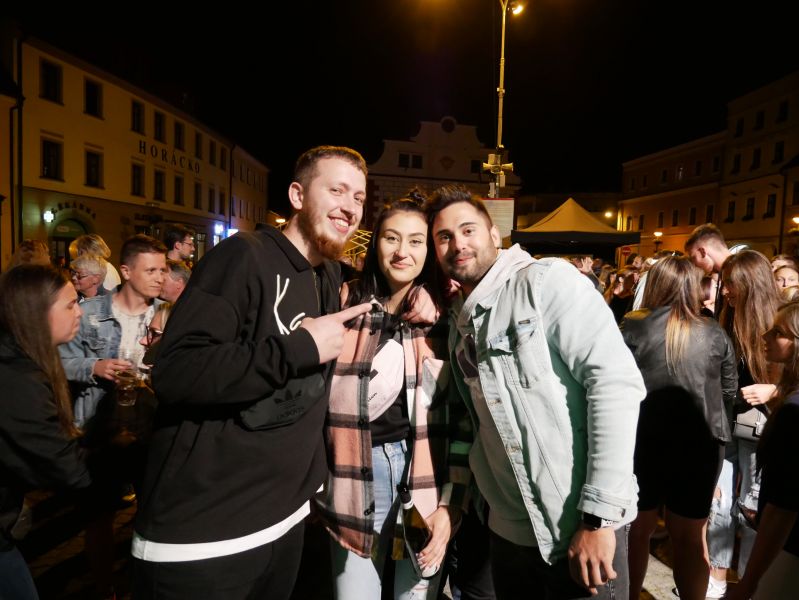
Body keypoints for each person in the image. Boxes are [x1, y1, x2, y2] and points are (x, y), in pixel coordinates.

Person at [131, 146, 374, 600]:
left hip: (285, 523)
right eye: (337, 190)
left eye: (359, 197)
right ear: (297, 195)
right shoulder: (244, 256)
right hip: (207, 540)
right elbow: (177, 371)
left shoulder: (326, 274)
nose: (350, 207)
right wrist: (300, 348)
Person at [426, 185, 646, 599]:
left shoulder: (545, 283)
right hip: (509, 533)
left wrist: (599, 518)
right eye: (444, 237)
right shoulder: (459, 322)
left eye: (468, 230)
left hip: (578, 527)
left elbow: (615, 384)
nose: (458, 244)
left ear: (494, 234)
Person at [315, 196, 455, 599]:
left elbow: (462, 420)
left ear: (429, 250)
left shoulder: (443, 316)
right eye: (391, 238)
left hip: (423, 475)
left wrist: (452, 505)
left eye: (415, 241)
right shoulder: (344, 302)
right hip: (354, 471)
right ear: (375, 242)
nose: (402, 251)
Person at [620, 257, 737, 600]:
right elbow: (728, 390)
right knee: (690, 537)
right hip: (700, 444)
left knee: (636, 532)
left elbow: (613, 382)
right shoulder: (713, 331)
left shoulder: (633, 324)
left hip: (642, 440)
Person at [0, 265, 91, 599]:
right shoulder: (17, 378)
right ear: (36, 313)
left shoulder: (19, 360)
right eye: (70, 304)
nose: (79, 312)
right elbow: (67, 469)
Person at [705, 250, 782, 598]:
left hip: (762, 431)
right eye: (723, 283)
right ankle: (717, 579)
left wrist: (774, 390)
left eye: (730, 283)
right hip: (725, 427)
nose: (724, 291)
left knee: (752, 508)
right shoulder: (725, 321)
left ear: (751, 284)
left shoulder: (780, 324)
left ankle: (750, 582)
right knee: (718, 504)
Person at [728, 300, 799, 599]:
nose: (765, 336)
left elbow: (782, 511)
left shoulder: (793, 413)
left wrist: (749, 582)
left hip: (789, 555)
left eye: (778, 332)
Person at [685, 224, 731, 319]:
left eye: (693, 258)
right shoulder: (724, 274)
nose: (694, 264)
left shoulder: (743, 271)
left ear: (703, 252)